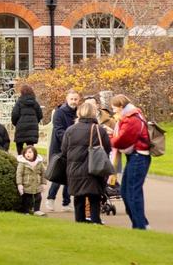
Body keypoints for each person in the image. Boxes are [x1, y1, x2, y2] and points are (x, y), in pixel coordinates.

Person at [110, 94, 153, 231]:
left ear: (121, 106)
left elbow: (122, 140)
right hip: (136, 156)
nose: (114, 112)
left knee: (132, 192)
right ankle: (140, 222)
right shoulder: (133, 116)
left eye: (115, 109)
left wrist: (110, 138)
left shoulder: (131, 119)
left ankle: (140, 226)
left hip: (138, 156)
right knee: (125, 191)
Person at [62, 98, 109, 224]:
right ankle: (96, 221)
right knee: (94, 198)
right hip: (94, 168)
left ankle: (80, 222)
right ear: (93, 113)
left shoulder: (70, 130)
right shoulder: (99, 130)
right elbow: (107, 149)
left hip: (75, 169)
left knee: (79, 198)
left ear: (79, 113)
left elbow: (64, 150)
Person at [45, 89, 82, 212]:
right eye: (71, 99)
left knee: (69, 176)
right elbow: (58, 130)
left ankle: (66, 202)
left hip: (74, 149)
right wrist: (71, 139)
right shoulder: (59, 113)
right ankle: (50, 198)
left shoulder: (79, 113)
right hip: (59, 148)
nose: (73, 101)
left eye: (76, 99)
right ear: (67, 99)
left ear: (79, 100)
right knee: (58, 175)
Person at [11, 83, 44, 152]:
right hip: (32, 129)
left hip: (21, 128)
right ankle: (30, 161)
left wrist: (16, 123)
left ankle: (20, 160)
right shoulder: (35, 103)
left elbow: (14, 115)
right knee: (30, 149)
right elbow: (40, 115)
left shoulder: (19, 102)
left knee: (19, 148)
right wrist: (34, 121)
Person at [16, 144, 46, 215]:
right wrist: (19, 184)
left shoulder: (39, 163)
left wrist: (44, 183)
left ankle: (37, 210)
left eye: (30, 152)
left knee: (38, 197)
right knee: (27, 199)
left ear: (34, 153)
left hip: (37, 184)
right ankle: (26, 211)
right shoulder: (22, 163)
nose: (27, 154)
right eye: (26, 153)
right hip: (27, 184)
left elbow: (43, 173)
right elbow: (19, 174)